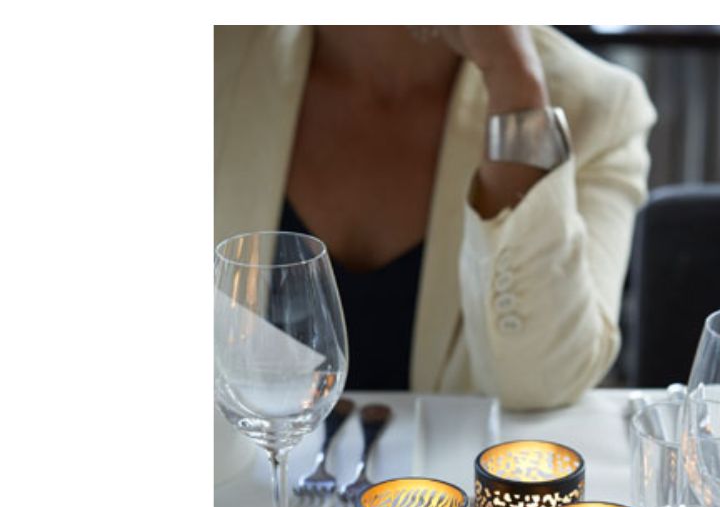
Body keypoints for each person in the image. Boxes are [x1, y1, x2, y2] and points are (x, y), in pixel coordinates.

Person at [215, 25, 656, 410]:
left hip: (452, 479)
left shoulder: (595, 105)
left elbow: (543, 383)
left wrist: (514, 84)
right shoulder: (218, 57)